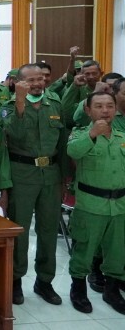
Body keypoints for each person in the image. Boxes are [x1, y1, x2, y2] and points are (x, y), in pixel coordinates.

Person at [2, 63, 66, 306]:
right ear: (19, 82)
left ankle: (45, 280)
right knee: (20, 229)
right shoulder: (8, 106)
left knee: (49, 230)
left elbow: (61, 143)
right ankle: (16, 279)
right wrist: (20, 103)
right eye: (31, 80)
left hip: (50, 173)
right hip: (22, 174)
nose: (37, 83)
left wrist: (63, 179)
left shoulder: (55, 103)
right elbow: (13, 136)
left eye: (40, 79)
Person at [67, 92, 125, 314]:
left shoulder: (121, 136)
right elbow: (73, 151)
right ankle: (78, 290)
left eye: (110, 106)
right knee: (85, 248)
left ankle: (112, 290)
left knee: (117, 251)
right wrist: (92, 134)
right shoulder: (80, 134)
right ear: (88, 111)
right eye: (99, 106)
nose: (105, 110)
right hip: (91, 204)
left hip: (120, 205)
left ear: (115, 109)